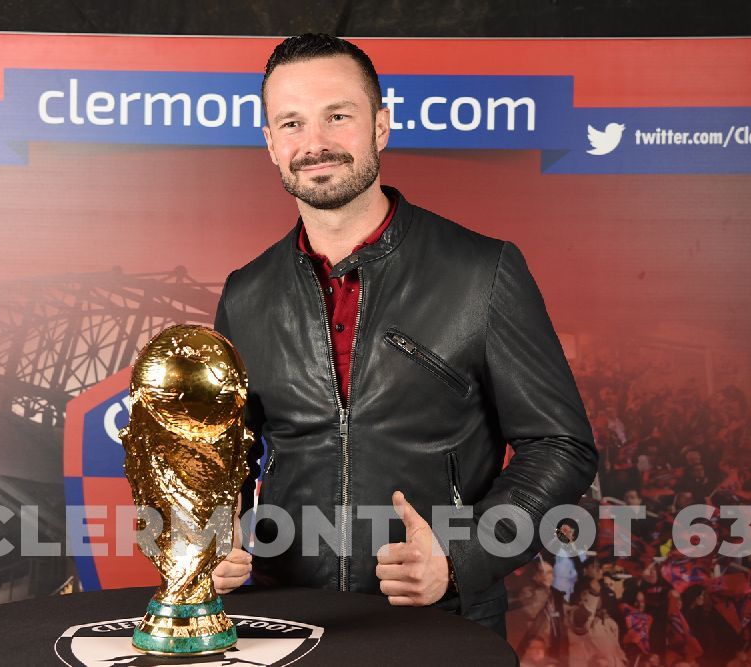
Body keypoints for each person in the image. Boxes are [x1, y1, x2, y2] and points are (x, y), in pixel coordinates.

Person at [211, 33, 598, 636]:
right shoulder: (245, 294)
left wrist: (463, 558)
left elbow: (559, 446)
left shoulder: (482, 271)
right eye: (291, 123)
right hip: (284, 623)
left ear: (381, 126)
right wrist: (211, 538)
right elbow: (223, 457)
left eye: (338, 116)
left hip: (441, 622)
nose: (314, 144)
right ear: (269, 143)